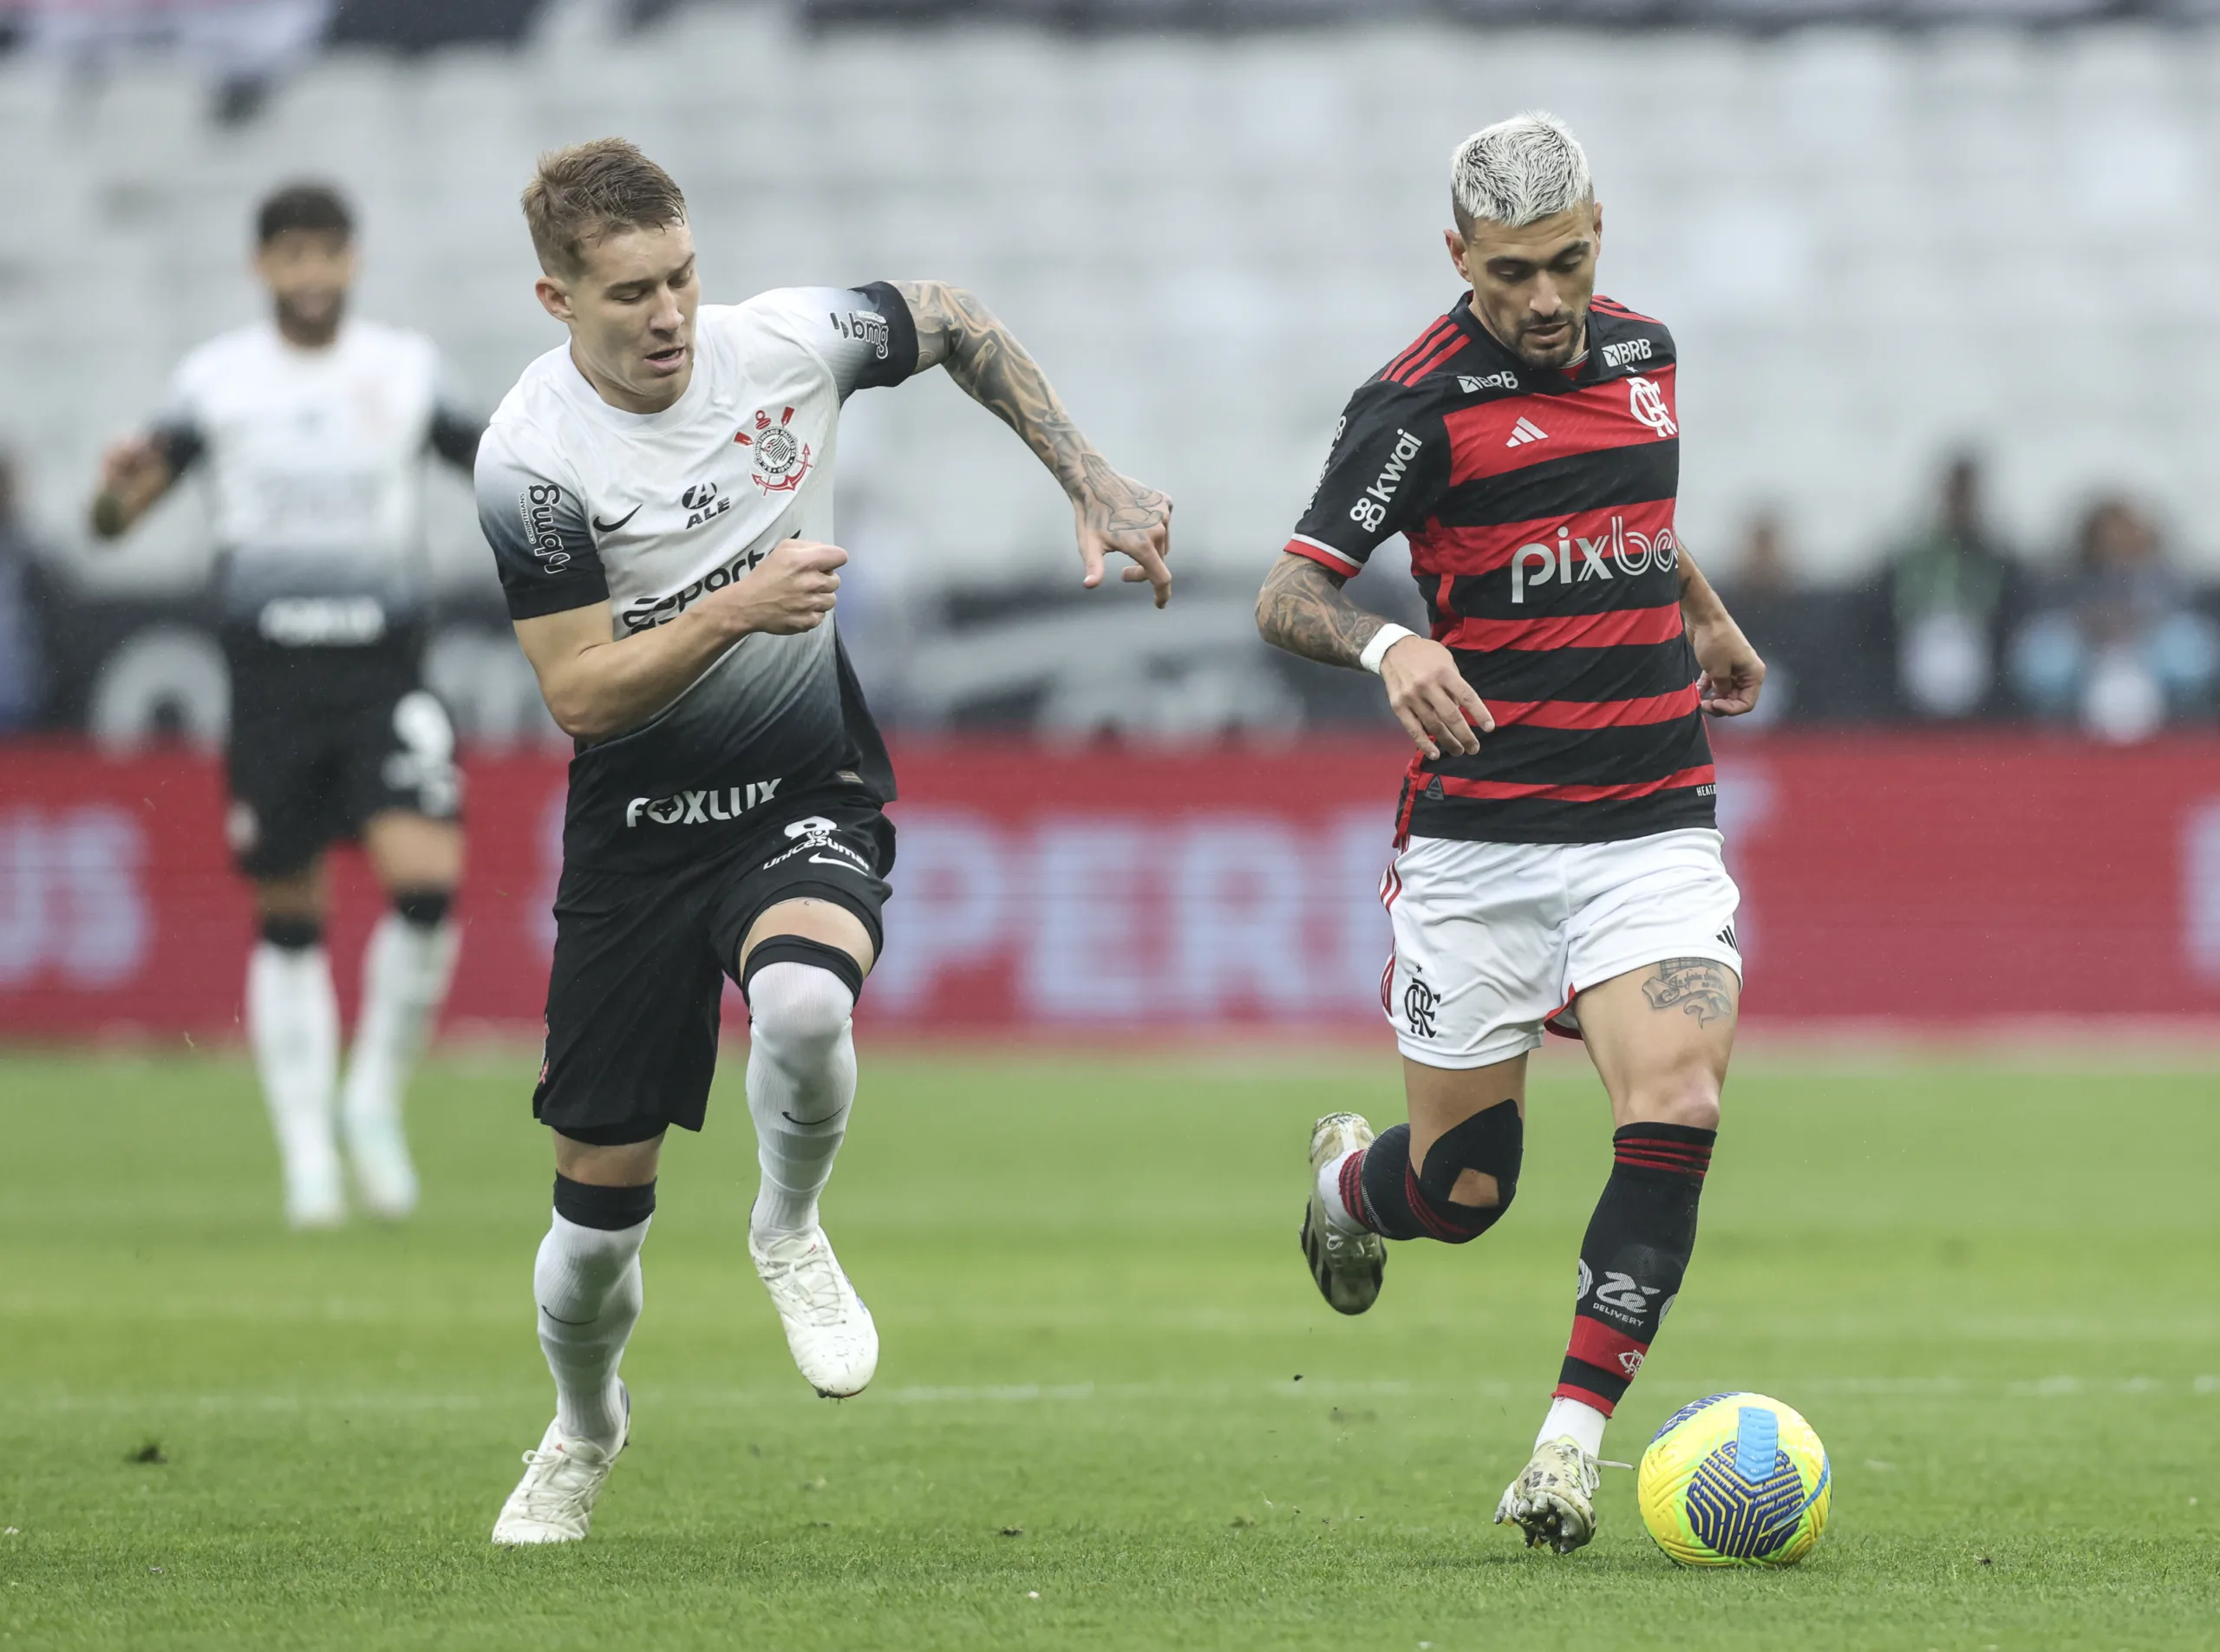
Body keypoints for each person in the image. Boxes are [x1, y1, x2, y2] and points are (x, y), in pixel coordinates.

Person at [476, 139, 1172, 1545]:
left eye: (680, 275)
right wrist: (739, 604)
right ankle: (585, 1425)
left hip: (803, 785)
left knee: (801, 1006)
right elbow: (574, 691)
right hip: (636, 841)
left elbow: (955, 318)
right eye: (629, 294)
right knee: (589, 1255)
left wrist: (1087, 476)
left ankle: (786, 1224)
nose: (669, 313)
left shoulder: (783, 345)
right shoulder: (530, 457)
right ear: (557, 299)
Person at [1253, 112, 1766, 1556]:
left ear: (1600, 230)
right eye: (1511, 274)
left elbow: (1636, 507)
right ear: (1457, 256)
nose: (1544, 301)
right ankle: (1351, 1185)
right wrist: (1382, 653)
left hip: (1652, 817)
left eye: (1568, 263)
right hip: (1484, 839)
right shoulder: (1413, 410)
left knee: (1679, 1103)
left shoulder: (1647, 356)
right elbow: (1290, 596)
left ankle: (1566, 1450)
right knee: (1463, 1195)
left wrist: (1709, 619)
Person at [88, 181, 478, 1229]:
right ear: (263, 266)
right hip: (271, 682)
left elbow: (497, 466)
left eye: (326, 253)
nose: (309, 273)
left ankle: (371, 1103)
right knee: (291, 921)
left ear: (353, 260)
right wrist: (113, 486)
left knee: (429, 886)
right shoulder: (217, 382)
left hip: (384, 672)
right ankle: (307, 1157)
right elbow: (114, 520)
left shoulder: (402, 369)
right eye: (290, 255)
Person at [2010, 496, 2218, 741]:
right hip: (2089, 654)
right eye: (2108, 533)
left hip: (2146, 654)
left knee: (2187, 646)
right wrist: (2094, 624)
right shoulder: (2069, 574)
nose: (2116, 540)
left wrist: (2137, 624)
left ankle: (2185, 727)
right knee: (2048, 653)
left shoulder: (2163, 573)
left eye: (2123, 532)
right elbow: (2058, 611)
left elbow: (2176, 608)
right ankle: (2054, 727)